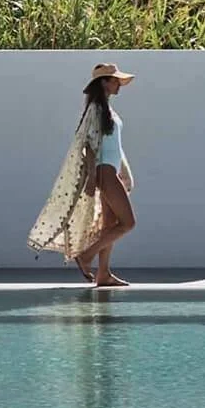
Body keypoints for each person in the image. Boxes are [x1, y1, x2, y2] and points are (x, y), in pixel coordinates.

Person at [28, 63, 137, 287]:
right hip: (105, 171)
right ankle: (86, 255)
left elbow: (114, 145)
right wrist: (91, 177)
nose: (119, 84)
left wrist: (125, 172)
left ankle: (104, 274)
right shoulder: (96, 109)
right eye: (115, 80)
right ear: (104, 82)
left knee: (110, 225)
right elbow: (87, 145)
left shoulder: (107, 110)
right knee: (127, 223)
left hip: (111, 170)